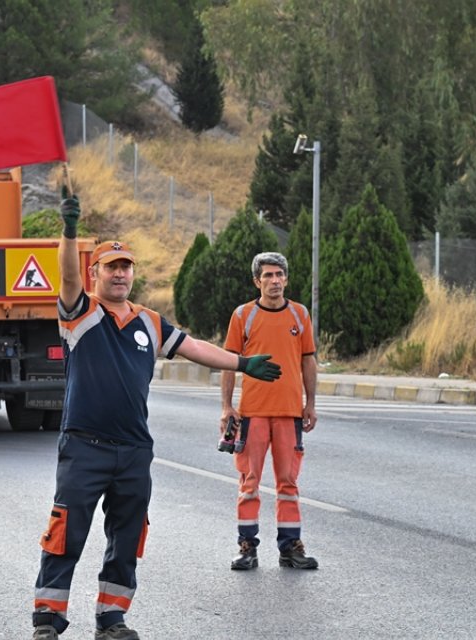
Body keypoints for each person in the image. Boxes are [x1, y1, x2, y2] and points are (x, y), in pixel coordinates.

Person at [32, 190, 283, 640]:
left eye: (126, 266)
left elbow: (195, 349)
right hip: (84, 446)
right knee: (66, 533)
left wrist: (241, 363)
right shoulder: (80, 314)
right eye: (112, 267)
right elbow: (67, 276)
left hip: (133, 452)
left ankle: (111, 619)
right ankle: (48, 621)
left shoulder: (149, 321)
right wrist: (69, 232)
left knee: (127, 538)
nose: (121, 273)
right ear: (96, 273)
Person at [219, 252, 319, 571]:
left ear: (286, 278)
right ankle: (247, 546)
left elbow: (308, 360)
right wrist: (226, 406)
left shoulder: (300, 315)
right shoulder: (243, 315)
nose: (274, 281)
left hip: (289, 413)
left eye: (279, 275)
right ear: (256, 281)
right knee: (249, 481)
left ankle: (290, 548)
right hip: (253, 414)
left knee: (288, 482)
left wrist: (311, 403)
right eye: (268, 276)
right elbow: (228, 362)